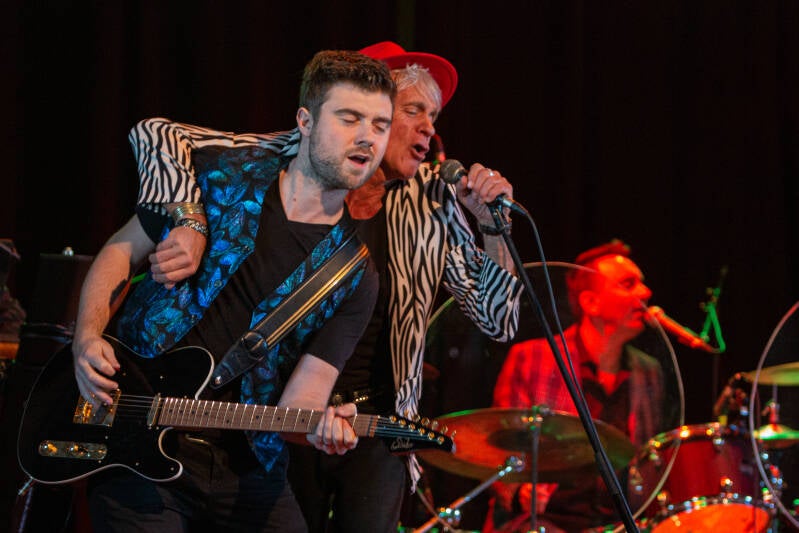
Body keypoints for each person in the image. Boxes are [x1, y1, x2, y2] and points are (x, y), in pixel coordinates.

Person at [127, 41, 523, 532]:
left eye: (434, 116)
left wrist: (492, 227)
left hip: (373, 424)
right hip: (274, 416)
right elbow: (160, 134)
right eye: (414, 110)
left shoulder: (432, 200)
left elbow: (499, 319)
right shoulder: (292, 156)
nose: (429, 128)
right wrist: (187, 219)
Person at [71, 50, 394, 532]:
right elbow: (122, 250)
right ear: (305, 121)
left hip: (246, 469)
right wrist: (86, 337)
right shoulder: (223, 176)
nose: (367, 136)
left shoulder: (354, 274)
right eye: (350, 118)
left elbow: (302, 401)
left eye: (380, 125)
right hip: (136, 435)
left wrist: (322, 427)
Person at [484, 240, 665, 533]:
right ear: (590, 303)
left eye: (641, 284)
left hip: (617, 525)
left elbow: (649, 461)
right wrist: (520, 491)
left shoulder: (648, 371)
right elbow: (496, 449)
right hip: (544, 522)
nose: (645, 293)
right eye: (628, 284)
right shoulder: (532, 357)